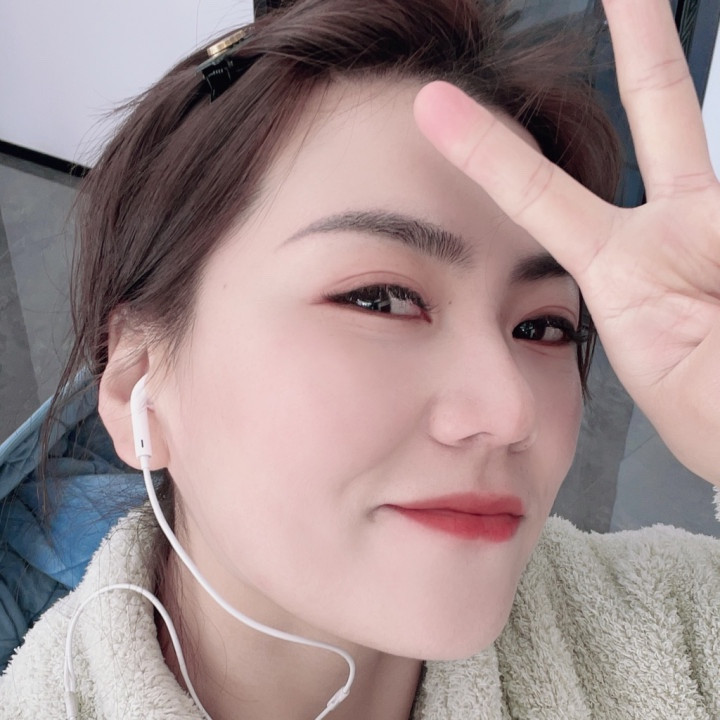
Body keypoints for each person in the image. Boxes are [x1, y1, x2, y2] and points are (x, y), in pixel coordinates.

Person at [1, 0, 719, 717]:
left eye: (542, 327)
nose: (510, 412)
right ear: (138, 379)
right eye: (381, 299)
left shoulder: (677, 634)